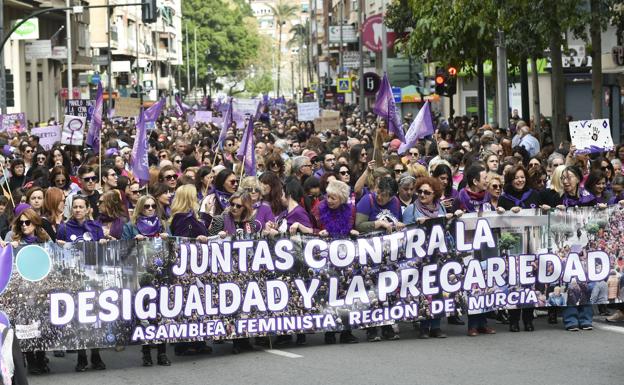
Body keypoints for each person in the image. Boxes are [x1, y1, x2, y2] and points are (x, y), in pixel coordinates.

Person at [56, 196, 107, 372]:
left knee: (94, 318)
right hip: (74, 279)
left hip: (94, 278)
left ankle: (96, 354)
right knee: (79, 319)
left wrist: (103, 243)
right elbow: (59, 254)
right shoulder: (63, 228)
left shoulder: (96, 227)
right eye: (75, 207)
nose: (78, 210)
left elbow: (104, 253)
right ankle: (81, 356)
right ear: (71, 209)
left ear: (87, 209)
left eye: (81, 207)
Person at [355, 176, 403, 342]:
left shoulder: (395, 202)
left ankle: (387, 325)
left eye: (386, 196)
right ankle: (372, 327)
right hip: (369, 252)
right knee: (372, 290)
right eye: (380, 193)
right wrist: (377, 224)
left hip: (388, 253)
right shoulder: (367, 201)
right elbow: (358, 225)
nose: (382, 198)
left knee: (387, 290)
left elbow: (398, 220)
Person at [497, 165, 542, 332]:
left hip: (531, 246)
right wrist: (502, 212)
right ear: (510, 179)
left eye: (522, 177)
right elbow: (499, 222)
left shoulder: (534, 195)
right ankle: (514, 320)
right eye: (516, 177)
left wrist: (544, 210)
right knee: (514, 282)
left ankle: (528, 319)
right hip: (513, 247)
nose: (520, 180)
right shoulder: (504, 199)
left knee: (529, 282)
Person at [168, 184, 212, 356]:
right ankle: (188, 343)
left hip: (191, 268)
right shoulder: (184, 219)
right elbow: (186, 240)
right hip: (188, 268)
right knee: (191, 303)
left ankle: (194, 341)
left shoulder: (186, 218)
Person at [402, 177, 448, 339]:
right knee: (422, 291)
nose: (422, 195)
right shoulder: (411, 210)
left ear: (435, 194)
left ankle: (436, 326)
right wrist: (418, 225)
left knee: (437, 290)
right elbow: (405, 234)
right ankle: (423, 326)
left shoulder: (440, 207)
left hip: (438, 255)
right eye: (420, 191)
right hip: (419, 256)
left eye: (427, 192)